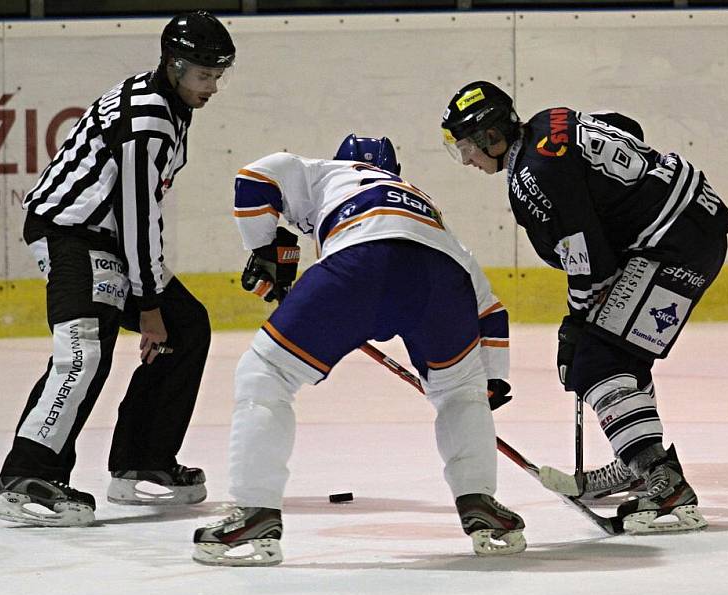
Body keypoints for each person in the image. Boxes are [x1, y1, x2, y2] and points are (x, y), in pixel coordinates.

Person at [191, 135, 524, 566]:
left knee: (265, 374)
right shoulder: (423, 206)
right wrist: (492, 377)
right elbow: (491, 310)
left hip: (360, 262)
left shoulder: (329, 172)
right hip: (442, 278)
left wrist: (262, 250)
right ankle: (480, 503)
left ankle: (255, 509)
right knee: (461, 393)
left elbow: (255, 176)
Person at [440, 81, 728, 533]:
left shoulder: (532, 177)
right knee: (622, 353)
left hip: (672, 245)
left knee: (594, 361)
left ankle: (662, 478)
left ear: (492, 137)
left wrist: (575, 323)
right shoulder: (550, 120)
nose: (468, 161)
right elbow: (624, 127)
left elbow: (590, 263)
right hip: (692, 224)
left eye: (468, 148)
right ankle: (638, 461)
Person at [0, 11, 236, 527]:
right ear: (173, 66)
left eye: (218, 75)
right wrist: (148, 305)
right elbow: (137, 213)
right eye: (203, 75)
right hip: (72, 234)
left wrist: (155, 301)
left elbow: (137, 213)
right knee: (84, 351)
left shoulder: (170, 102)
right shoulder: (149, 119)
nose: (212, 86)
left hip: (106, 237)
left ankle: (140, 461)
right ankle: (26, 476)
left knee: (187, 327)